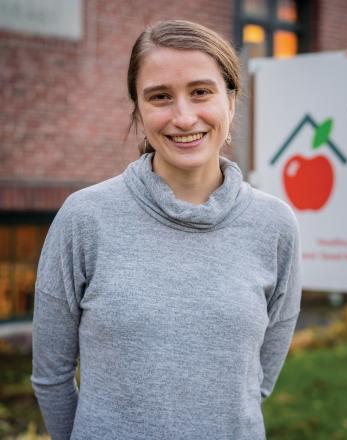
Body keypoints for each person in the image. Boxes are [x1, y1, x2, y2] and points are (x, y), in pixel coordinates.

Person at [31, 20, 301, 440]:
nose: (183, 116)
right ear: (138, 110)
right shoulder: (85, 218)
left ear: (231, 100)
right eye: (160, 97)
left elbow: (256, 382)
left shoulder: (275, 224)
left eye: (201, 92)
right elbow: (51, 375)